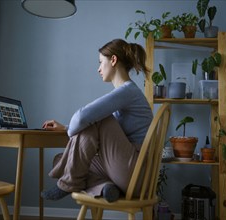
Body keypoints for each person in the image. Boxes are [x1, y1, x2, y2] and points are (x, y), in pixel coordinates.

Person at [41, 38, 153, 203]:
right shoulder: (126, 94)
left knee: (97, 119)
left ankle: (68, 183)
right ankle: (105, 187)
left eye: (101, 62)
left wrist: (71, 129)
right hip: (126, 171)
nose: (98, 69)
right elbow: (84, 126)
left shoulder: (127, 91)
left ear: (113, 60)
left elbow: (82, 117)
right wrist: (65, 128)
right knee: (62, 160)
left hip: (136, 173)